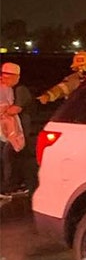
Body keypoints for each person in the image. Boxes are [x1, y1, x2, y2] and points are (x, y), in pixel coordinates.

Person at [0, 62, 33, 197]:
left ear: (16, 77)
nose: (4, 79)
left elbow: (15, 109)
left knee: (10, 157)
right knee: (9, 158)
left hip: (19, 131)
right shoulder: (6, 89)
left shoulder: (20, 90)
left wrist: (4, 110)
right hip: (7, 131)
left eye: (7, 77)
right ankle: (14, 184)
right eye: (3, 76)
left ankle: (12, 187)